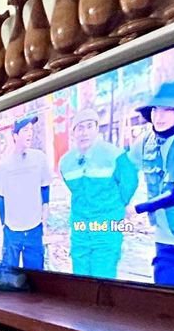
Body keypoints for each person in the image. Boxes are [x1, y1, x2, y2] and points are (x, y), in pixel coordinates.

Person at [58, 106, 138, 278]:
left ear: (96, 129)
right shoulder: (66, 161)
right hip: (80, 227)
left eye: (89, 126)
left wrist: (118, 206)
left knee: (103, 277)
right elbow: (72, 189)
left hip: (106, 226)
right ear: (73, 132)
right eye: (80, 128)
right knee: (80, 277)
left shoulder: (114, 154)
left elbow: (130, 181)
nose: (84, 132)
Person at [127, 83, 174, 286]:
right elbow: (124, 169)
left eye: (168, 109)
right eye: (155, 109)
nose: (159, 116)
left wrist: (137, 208)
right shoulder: (146, 140)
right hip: (165, 241)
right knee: (163, 297)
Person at [0, 114, 52, 269]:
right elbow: (0, 196)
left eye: (31, 130)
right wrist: (4, 223)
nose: (29, 134)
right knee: (9, 274)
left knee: (35, 274)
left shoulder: (40, 158)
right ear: (15, 136)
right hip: (12, 230)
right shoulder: (3, 166)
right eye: (25, 130)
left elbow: (45, 185)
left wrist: (45, 208)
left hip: (34, 227)